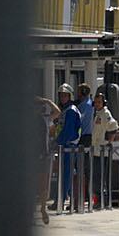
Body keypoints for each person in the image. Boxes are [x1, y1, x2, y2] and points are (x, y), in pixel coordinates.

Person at [55, 84, 82, 212]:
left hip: (69, 145)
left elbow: (68, 131)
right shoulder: (66, 110)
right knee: (68, 173)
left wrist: (57, 141)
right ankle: (70, 199)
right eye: (61, 95)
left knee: (66, 173)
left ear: (70, 96)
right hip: (65, 145)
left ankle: (60, 200)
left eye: (65, 95)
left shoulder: (71, 110)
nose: (62, 98)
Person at [36, 96, 61, 224]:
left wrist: (48, 101)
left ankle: (43, 209)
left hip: (43, 154)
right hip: (32, 156)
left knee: (43, 184)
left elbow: (57, 112)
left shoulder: (46, 119)